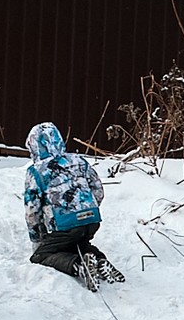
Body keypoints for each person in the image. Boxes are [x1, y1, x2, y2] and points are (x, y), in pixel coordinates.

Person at [23, 121, 123, 290]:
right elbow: (98, 189)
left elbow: (32, 210)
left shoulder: (36, 171)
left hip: (64, 225)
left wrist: (37, 238)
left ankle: (79, 266)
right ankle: (99, 261)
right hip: (91, 221)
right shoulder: (79, 161)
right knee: (79, 244)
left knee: (41, 255)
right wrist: (86, 209)